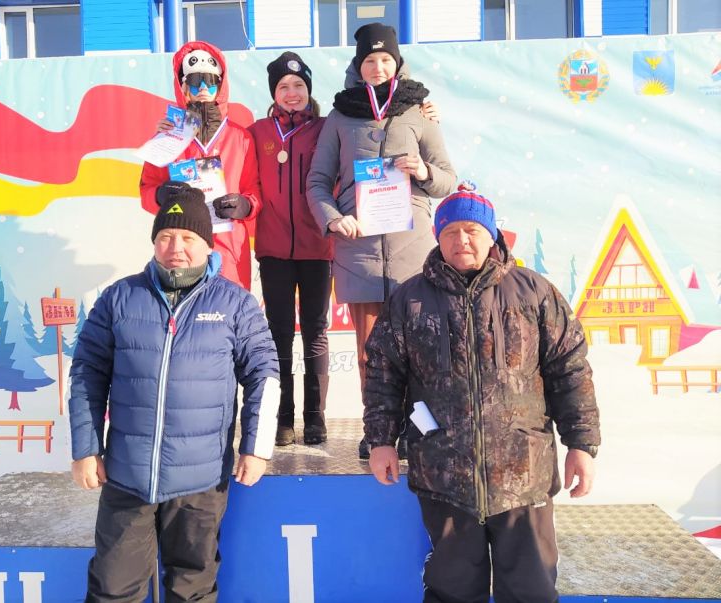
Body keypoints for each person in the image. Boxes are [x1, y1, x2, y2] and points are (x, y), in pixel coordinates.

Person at [363, 184, 601, 602]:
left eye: (472, 230)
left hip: (523, 476)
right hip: (445, 475)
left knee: (531, 591)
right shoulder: (410, 299)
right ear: (438, 237)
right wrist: (381, 440)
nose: (462, 240)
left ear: (492, 235)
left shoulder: (534, 292)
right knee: (452, 592)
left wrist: (581, 444)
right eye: (451, 231)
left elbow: (570, 369)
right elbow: (384, 373)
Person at [68, 183, 279, 602]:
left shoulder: (235, 304)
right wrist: (85, 448)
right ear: (154, 242)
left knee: (192, 589)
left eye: (187, 237)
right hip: (128, 477)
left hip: (200, 483)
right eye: (166, 236)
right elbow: (87, 373)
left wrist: (257, 448)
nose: (175, 248)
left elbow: (264, 375)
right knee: (112, 589)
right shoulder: (120, 298)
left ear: (207, 244)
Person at [306, 22, 456, 459]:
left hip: (412, 253)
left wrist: (423, 171)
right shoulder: (340, 116)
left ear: (397, 62)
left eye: (385, 59)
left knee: (419, 353)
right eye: (369, 60)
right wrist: (334, 219)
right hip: (360, 253)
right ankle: (379, 435)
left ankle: (418, 432)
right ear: (358, 65)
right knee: (370, 355)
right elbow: (317, 181)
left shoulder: (418, 111)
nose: (377, 67)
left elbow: (448, 179)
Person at [247, 51, 333, 447]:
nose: (292, 92)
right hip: (274, 248)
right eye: (283, 86)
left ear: (309, 89)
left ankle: (315, 417)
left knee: (315, 330)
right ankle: (283, 418)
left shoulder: (327, 128)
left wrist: (424, 112)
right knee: (278, 332)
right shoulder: (257, 132)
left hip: (318, 246)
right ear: (274, 93)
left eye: (299, 85)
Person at [141, 41, 262, 290]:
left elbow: (255, 190)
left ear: (221, 85)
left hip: (228, 245)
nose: (204, 88)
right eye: (196, 81)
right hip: (182, 245)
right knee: (184, 308)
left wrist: (245, 205)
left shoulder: (241, 138)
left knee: (230, 308)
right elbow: (146, 189)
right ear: (183, 86)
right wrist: (160, 195)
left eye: (211, 81)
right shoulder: (168, 136)